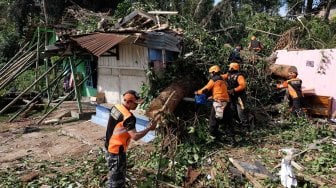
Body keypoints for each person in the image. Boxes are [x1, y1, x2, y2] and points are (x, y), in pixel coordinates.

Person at [105, 90, 158, 188]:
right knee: (117, 183)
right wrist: (148, 129)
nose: (137, 106)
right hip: (117, 153)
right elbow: (135, 136)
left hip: (109, 148)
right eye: (136, 103)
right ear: (128, 102)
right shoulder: (128, 117)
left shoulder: (116, 107)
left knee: (113, 178)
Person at [195, 65, 231, 139]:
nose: (210, 74)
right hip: (226, 101)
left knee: (213, 121)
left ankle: (214, 137)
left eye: (211, 73)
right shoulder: (222, 78)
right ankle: (231, 138)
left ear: (214, 72)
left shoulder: (213, 79)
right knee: (226, 121)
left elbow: (206, 89)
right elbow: (219, 89)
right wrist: (212, 96)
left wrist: (197, 92)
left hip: (219, 102)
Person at [222, 62, 249, 128]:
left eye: (229, 67)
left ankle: (245, 126)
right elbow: (221, 77)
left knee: (241, 111)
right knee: (232, 110)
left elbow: (243, 86)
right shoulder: (228, 75)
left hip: (240, 97)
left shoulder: (239, 76)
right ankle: (236, 124)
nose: (228, 68)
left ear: (232, 68)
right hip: (232, 96)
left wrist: (233, 90)